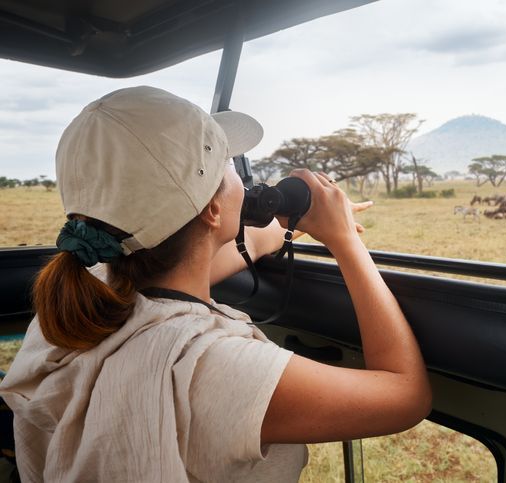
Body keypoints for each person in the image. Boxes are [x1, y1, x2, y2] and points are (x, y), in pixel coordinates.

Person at [0, 86, 431, 482]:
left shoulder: (82, 296)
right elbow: (406, 396)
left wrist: (293, 225)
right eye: (228, 166)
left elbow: (218, 251)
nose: (242, 179)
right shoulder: (211, 366)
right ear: (211, 209)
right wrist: (345, 241)